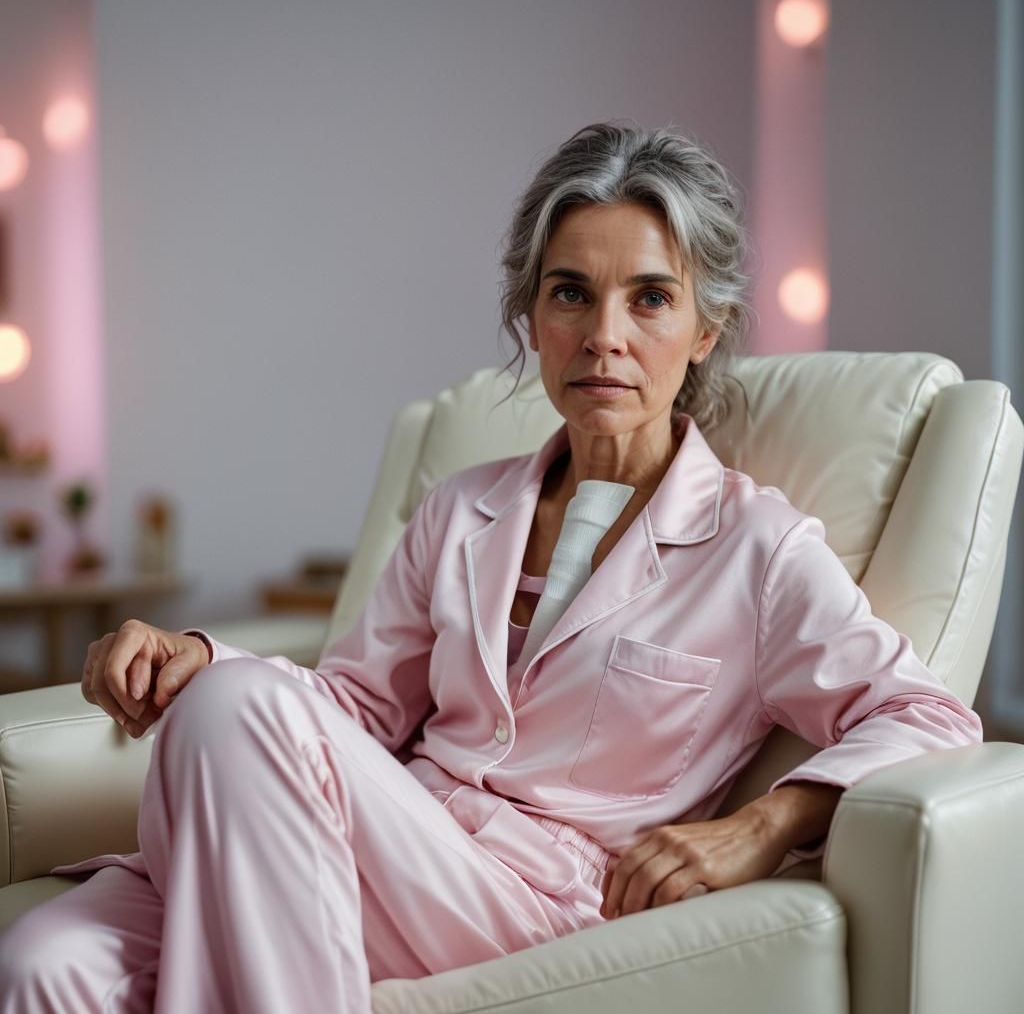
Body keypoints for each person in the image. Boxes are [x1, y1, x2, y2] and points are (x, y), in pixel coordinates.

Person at [0, 122, 983, 1012]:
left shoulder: (757, 548)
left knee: (230, 702)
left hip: (532, 896)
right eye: (571, 293)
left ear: (705, 331)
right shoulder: (461, 506)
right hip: (382, 845)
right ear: (532, 318)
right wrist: (194, 654)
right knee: (45, 962)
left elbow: (927, 713)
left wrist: (763, 824)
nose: (605, 335)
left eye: (650, 298)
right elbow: (353, 706)